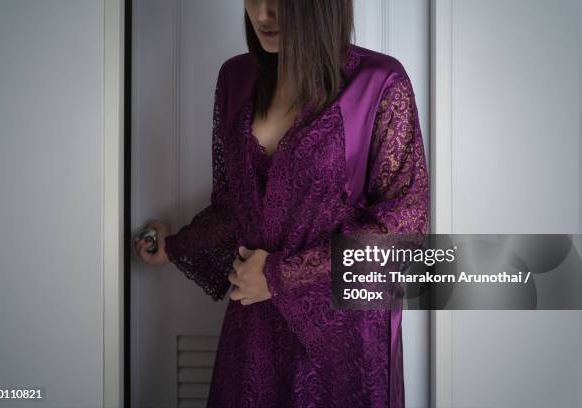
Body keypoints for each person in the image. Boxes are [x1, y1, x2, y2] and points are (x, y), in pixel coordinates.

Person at [134, 0, 429, 406]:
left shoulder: (378, 81)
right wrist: (173, 246)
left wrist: (279, 274)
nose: (263, 13)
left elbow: (407, 223)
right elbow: (234, 206)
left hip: (341, 340)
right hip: (254, 324)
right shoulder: (234, 78)